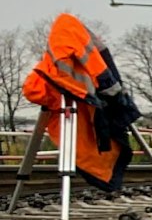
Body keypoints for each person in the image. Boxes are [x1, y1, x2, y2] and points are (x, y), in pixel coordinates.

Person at [19, 13, 141, 189]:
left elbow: (33, 91)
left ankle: (65, 210)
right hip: (83, 94)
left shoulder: (60, 57)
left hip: (79, 95)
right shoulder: (80, 47)